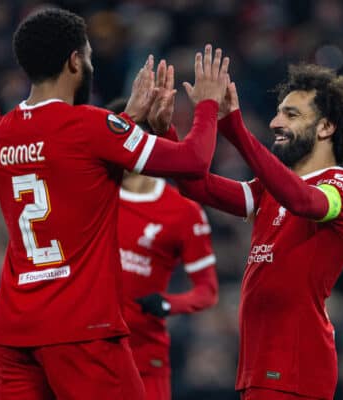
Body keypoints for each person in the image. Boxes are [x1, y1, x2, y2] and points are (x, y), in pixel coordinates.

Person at [0, 7, 229, 399]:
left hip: (13, 332)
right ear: (74, 61)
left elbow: (68, 169)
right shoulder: (89, 127)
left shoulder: (0, 135)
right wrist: (208, 105)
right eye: (89, 55)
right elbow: (193, 161)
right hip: (81, 329)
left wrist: (125, 121)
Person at [173, 64, 343, 400]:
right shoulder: (268, 191)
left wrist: (234, 127)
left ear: (325, 127)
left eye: (291, 115)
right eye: (279, 113)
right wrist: (169, 130)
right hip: (261, 362)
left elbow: (303, 201)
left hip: (296, 365)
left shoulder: (341, 187)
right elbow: (197, 186)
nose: (275, 123)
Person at [105, 96, 219, 400]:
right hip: (90, 349)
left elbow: (207, 291)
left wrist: (168, 304)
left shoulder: (183, 211)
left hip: (146, 354)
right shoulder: (95, 194)